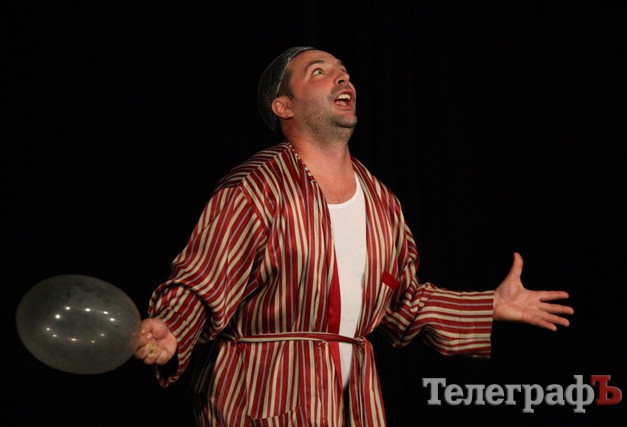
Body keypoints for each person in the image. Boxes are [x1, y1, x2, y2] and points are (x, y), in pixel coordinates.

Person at [134, 46, 574, 426]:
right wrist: (172, 326)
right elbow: (204, 279)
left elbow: (403, 306)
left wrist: (489, 306)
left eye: (344, 71)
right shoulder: (256, 187)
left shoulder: (383, 204)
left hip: (351, 402)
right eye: (319, 71)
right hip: (263, 395)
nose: (342, 77)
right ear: (284, 106)